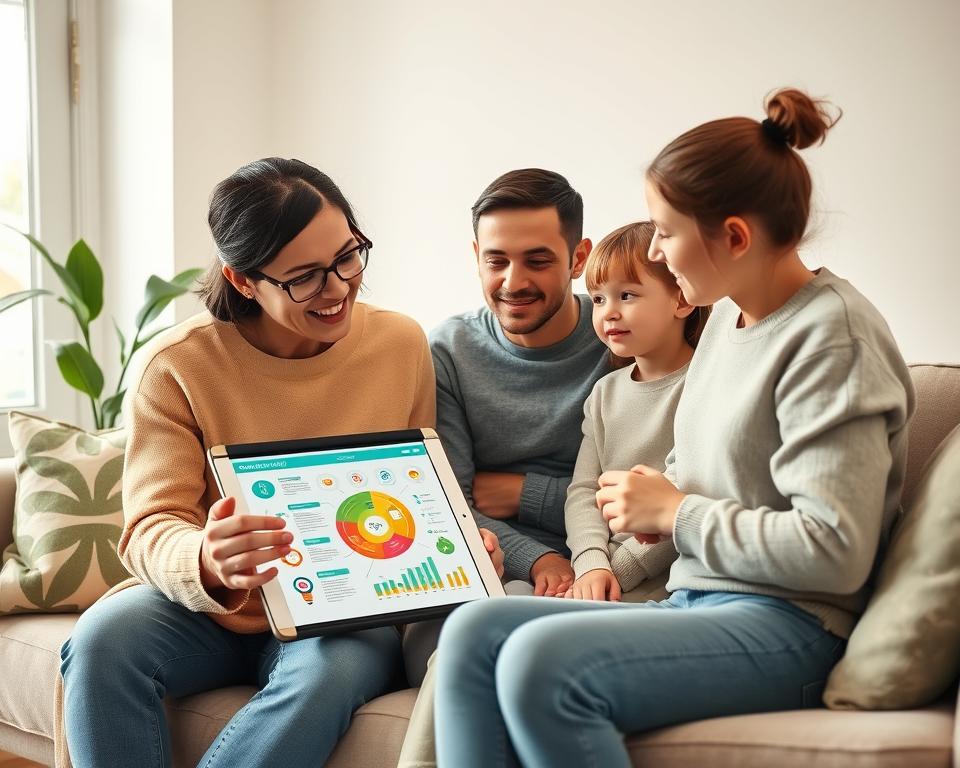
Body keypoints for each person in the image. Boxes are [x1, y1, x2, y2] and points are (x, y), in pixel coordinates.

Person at [433, 88, 915, 768]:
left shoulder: (831, 337)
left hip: (795, 625)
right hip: (698, 600)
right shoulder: (725, 320)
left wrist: (678, 511)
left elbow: (835, 550)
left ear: (734, 237)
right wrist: (624, 536)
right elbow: (695, 474)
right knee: (474, 630)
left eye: (665, 232)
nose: (656, 250)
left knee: (541, 664)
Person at [57, 157, 500, 767]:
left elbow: (418, 481)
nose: (340, 287)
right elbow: (150, 528)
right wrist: (207, 559)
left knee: (328, 674)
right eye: (306, 277)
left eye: (349, 256)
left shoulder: (400, 345)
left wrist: (455, 544)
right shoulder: (178, 366)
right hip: (212, 611)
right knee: (103, 640)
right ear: (243, 280)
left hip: (343, 611)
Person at [430, 168, 610, 597]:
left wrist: (527, 494)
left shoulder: (619, 339)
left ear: (578, 259)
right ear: (477, 256)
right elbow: (448, 503)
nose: (513, 282)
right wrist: (538, 558)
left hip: (606, 558)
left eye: (537, 260)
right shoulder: (450, 350)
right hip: (486, 560)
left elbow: (643, 493)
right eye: (496, 260)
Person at [564, 221, 708, 602]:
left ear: (680, 300)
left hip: (666, 579)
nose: (608, 313)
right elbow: (583, 491)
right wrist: (591, 563)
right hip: (600, 575)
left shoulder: (704, 384)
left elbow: (693, 491)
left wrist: (620, 569)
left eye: (626, 295)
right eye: (597, 299)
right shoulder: (604, 393)